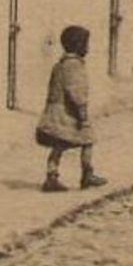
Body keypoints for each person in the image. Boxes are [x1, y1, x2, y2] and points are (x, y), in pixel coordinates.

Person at [37, 25, 107, 192]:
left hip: (54, 111)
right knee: (88, 140)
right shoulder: (74, 66)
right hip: (69, 112)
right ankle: (87, 174)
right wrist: (82, 115)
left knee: (59, 144)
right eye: (86, 44)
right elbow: (76, 92)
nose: (88, 49)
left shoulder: (59, 65)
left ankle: (51, 176)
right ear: (78, 45)